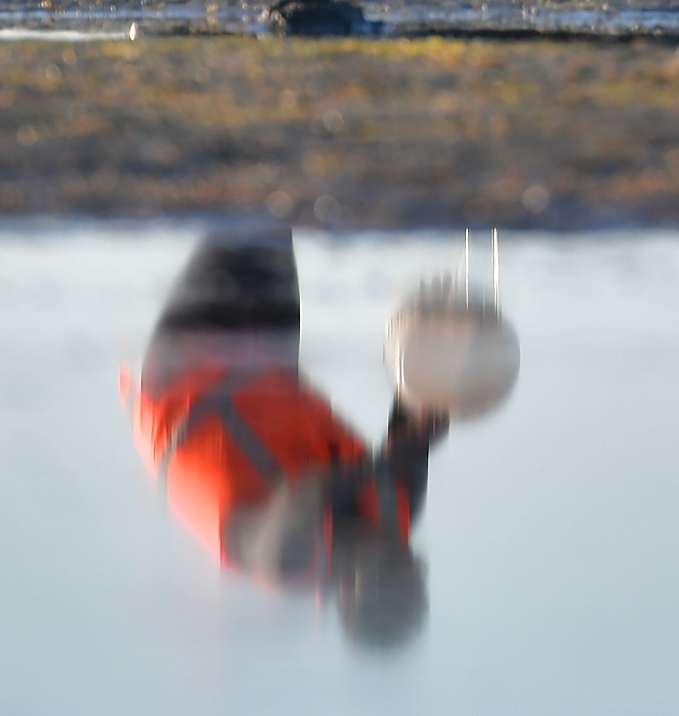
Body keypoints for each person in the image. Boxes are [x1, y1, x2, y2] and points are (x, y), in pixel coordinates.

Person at [120, 230, 448, 650]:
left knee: (238, 220)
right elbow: (415, 414)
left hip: (180, 377)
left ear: (349, 589)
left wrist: (394, 459)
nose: (400, 553)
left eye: (393, 569)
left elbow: (306, 492)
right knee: (272, 214)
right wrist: (439, 382)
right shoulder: (395, 513)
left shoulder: (279, 559)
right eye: (410, 567)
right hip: (269, 365)